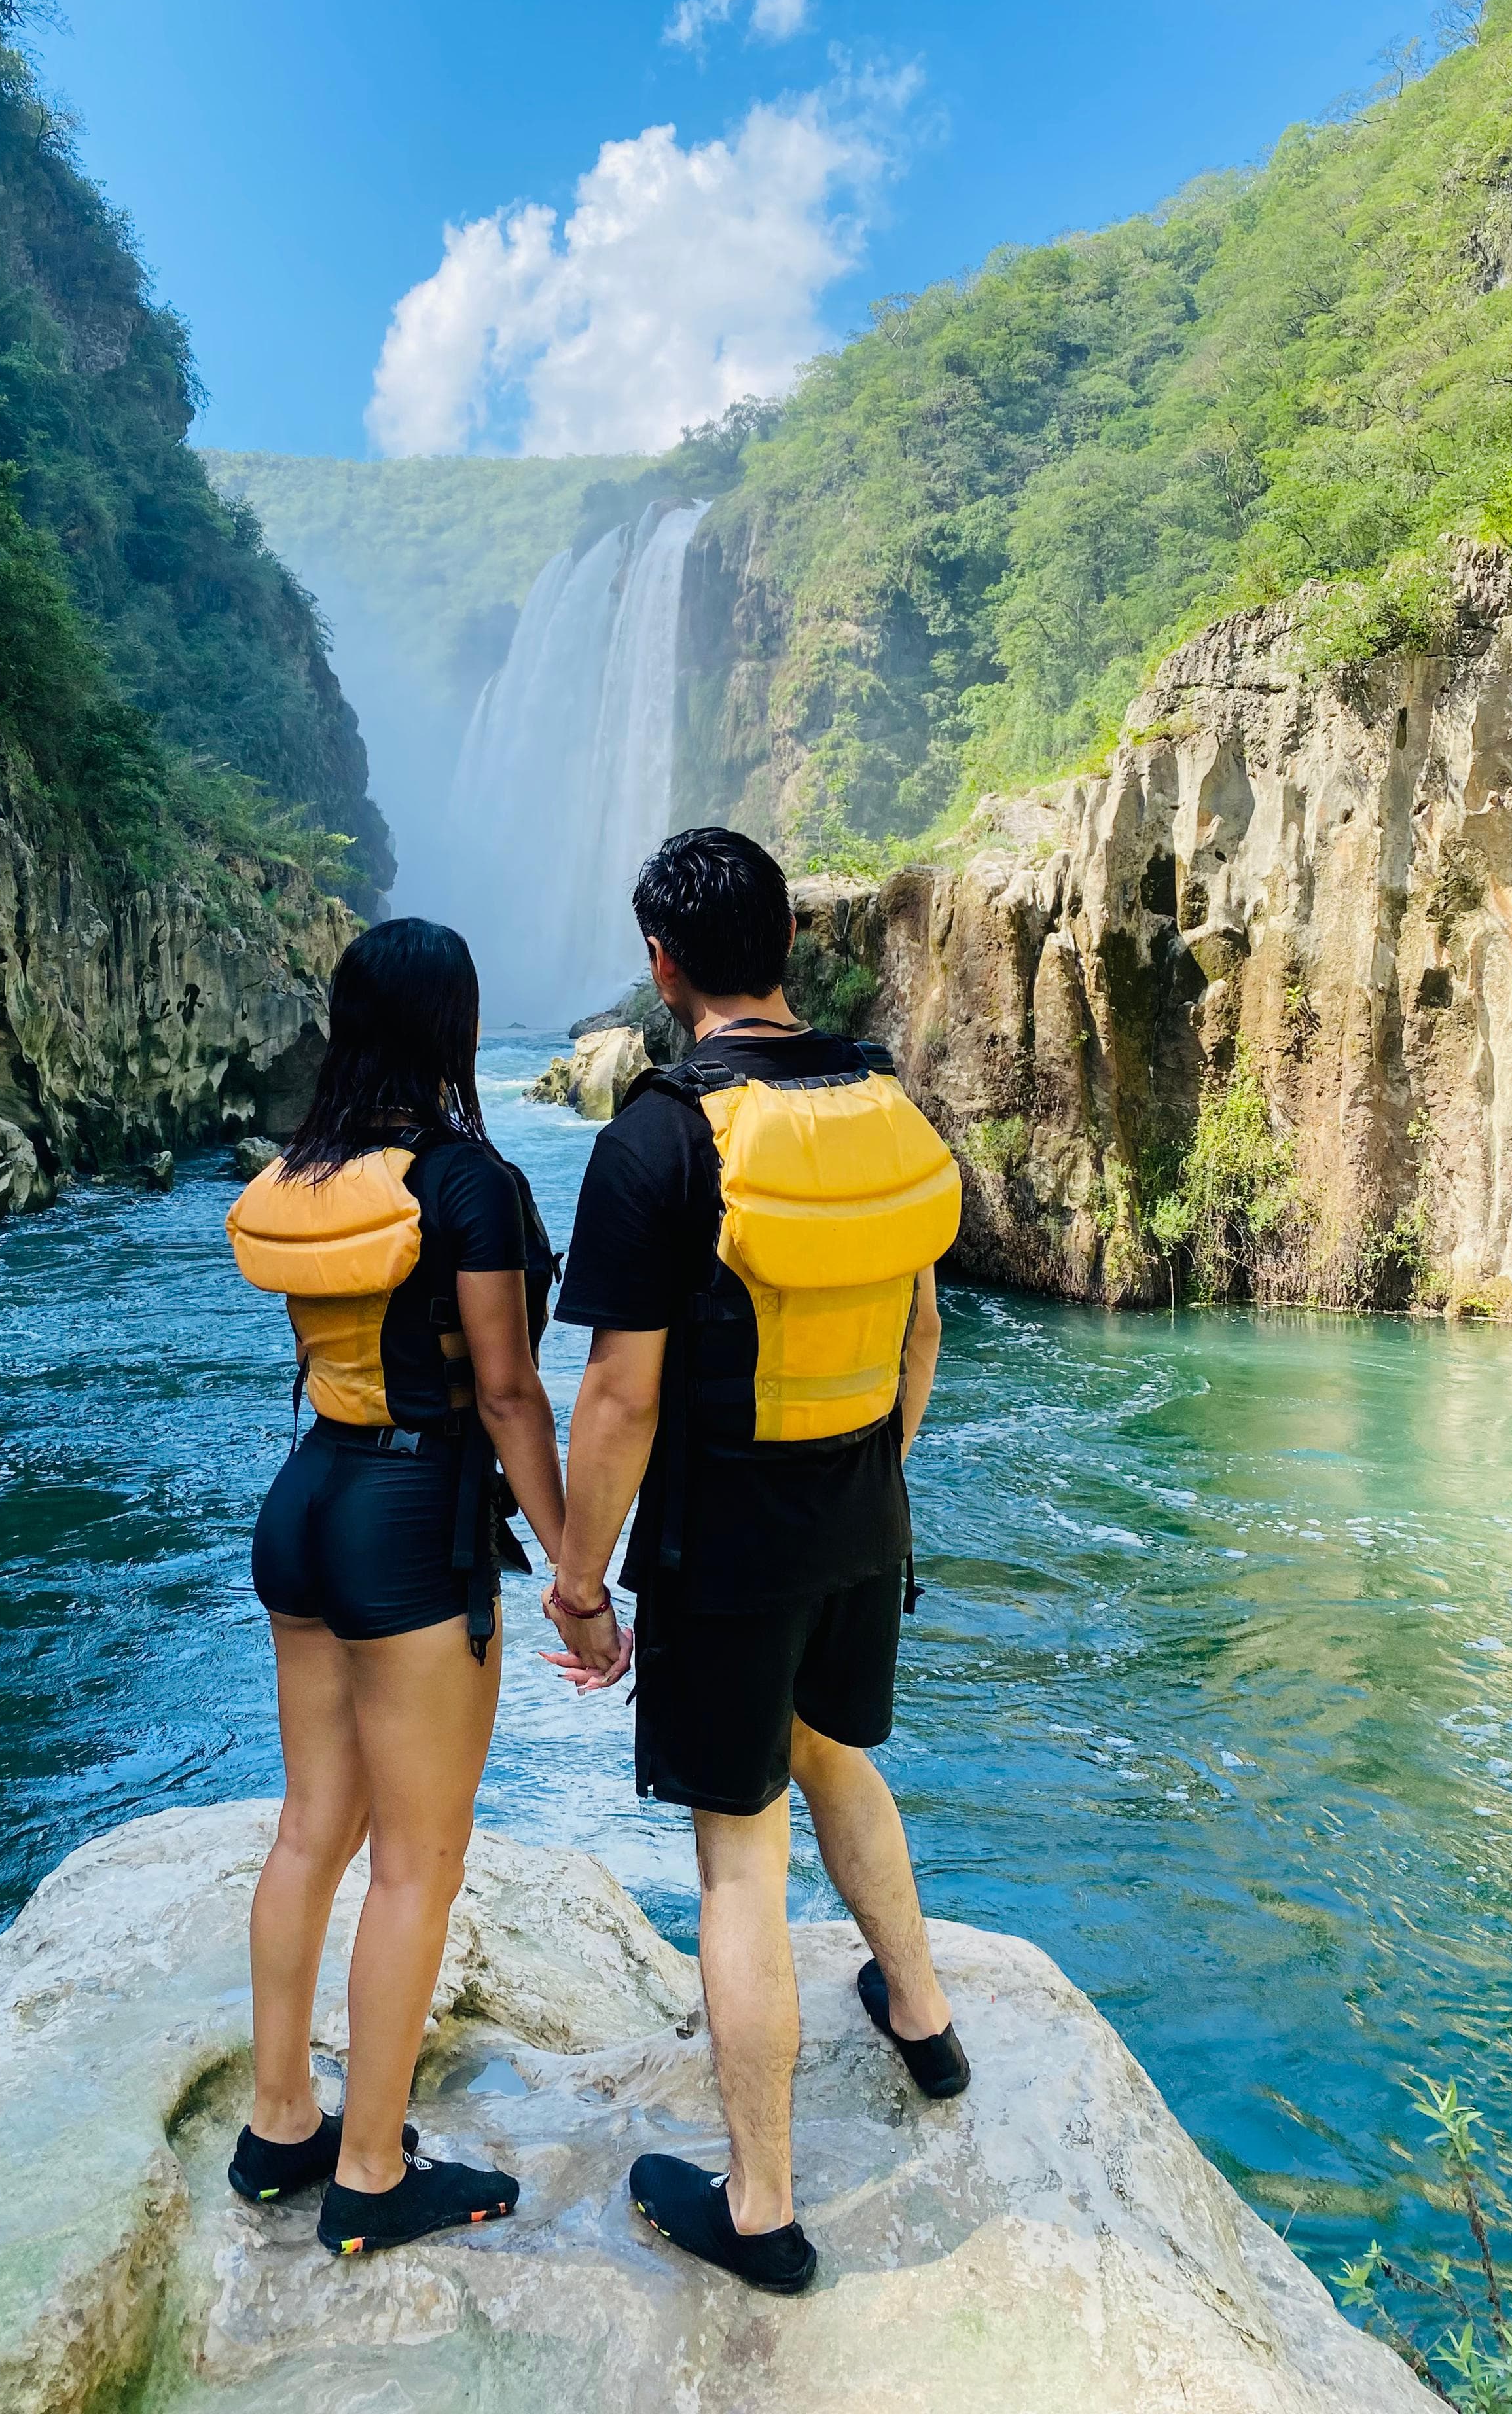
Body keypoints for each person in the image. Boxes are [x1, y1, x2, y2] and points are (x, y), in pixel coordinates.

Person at [543, 827, 967, 2296]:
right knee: (840, 1751)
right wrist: (876, 1488)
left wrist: (582, 1586)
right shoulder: (884, 1103)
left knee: (739, 1856)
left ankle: (764, 2208)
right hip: (864, 1510)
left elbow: (617, 1398)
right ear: (785, 947)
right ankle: (920, 2015)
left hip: (726, 1543)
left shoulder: (660, 1136)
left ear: (663, 967)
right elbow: (923, 1332)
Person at [222, 918, 574, 2258]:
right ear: (456, 1028)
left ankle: (279, 2129)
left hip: (303, 1502)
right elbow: (504, 1390)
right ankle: (371, 2175)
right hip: (411, 1521)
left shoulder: (309, 1173)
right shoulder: (468, 1182)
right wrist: (576, 1573)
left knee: (311, 1827)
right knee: (417, 1863)